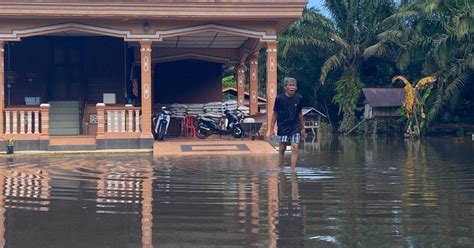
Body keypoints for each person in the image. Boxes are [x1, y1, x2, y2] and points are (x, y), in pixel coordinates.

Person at [266, 77, 305, 168]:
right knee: (282, 149)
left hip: (295, 126)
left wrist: (302, 128)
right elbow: (275, 114)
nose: (292, 87)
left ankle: (292, 170)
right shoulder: (279, 99)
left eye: (294, 85)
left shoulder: (299, 98)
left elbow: (300, 114)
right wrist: (271, 129)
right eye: (290, 85)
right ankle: (281, 168)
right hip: (283, 126)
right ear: (285, 87)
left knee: (294, 147)